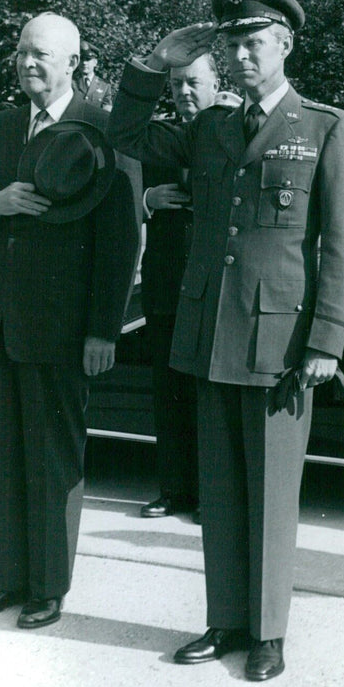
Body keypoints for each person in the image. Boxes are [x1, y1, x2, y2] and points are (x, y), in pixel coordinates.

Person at [108, 0, 344, 681]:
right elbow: (122, 133)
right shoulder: (211, 126)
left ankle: (269, 633)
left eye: (255, 43)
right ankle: (225, 620)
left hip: (280, 345)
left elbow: (341, 246)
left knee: (272, 492)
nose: (244, 57)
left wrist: (325, 341)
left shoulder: (323, 128)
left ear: (284, 43)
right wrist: (155, 63)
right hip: (213, 334)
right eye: (235, 45)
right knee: (218, 488)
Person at [0, 12, 140, 630]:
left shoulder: (101, 132)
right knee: (2, 459)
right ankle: (5, 581)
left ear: (73, 63)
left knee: (54, 461)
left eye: (43, 55)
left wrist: (102, 331)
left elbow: (119, 243)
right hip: (0, 327)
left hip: (62, 331)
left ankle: (48, 588)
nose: (29, 63)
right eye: (23, 52)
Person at [139, 54, 223, 522]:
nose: (185, 93)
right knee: (169, 392)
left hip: (214, 288)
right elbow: (120, 186)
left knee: (209, 397)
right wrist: (149, 199)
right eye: (176, 86)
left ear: (215, 84)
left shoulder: (235, 131)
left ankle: (212, 494)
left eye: (193, 83)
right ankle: (173, 489)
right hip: (168, 282)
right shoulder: (159, 136)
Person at [73, 41, 113, 110]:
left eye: (88, 59)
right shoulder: (70, 81)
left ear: (95, 62)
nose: (84, 63)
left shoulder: (105, 86)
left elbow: (106, 112)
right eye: (82, 59)